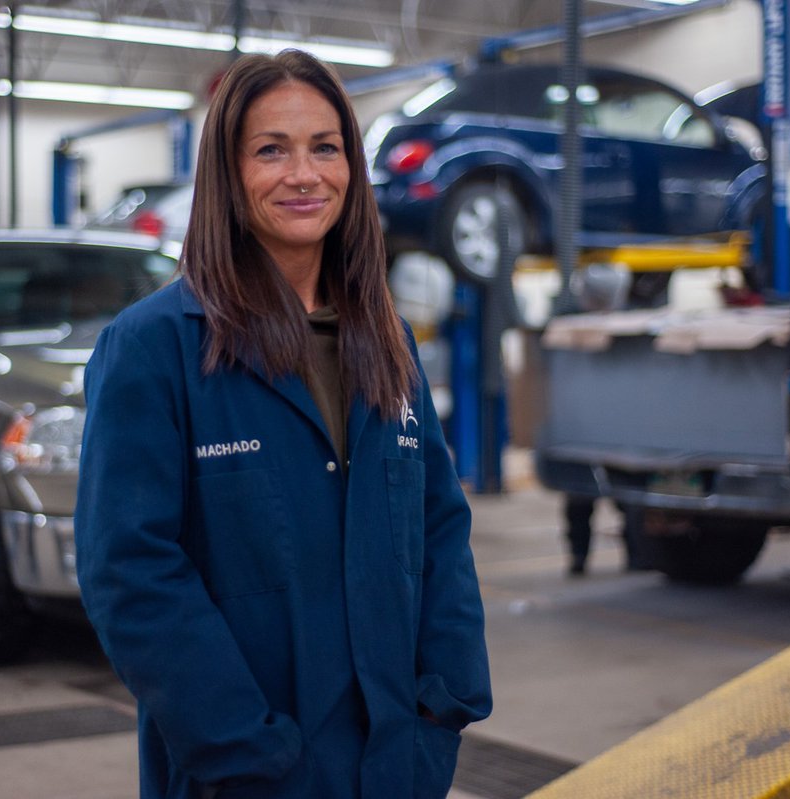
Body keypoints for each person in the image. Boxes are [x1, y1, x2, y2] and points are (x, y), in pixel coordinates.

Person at [75, 50, 491, 799]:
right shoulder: (154, 347)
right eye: (272, 150)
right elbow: (129, 570)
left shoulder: (387, 340)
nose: (305, 175)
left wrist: (444, 702)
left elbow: (439, 526)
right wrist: (240, 746)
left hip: (394, 764)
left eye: (325, 148)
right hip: (246, 773)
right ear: (228, 174)